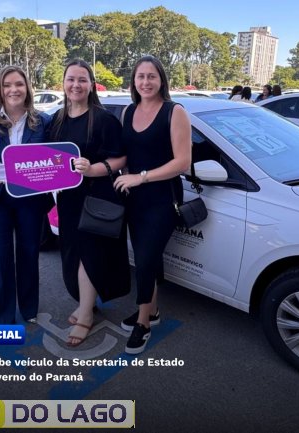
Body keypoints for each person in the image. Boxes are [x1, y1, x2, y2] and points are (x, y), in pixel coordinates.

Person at [47, 59, 130, 346]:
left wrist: (94, 169)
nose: (76, 85)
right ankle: (86, 301)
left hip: (97, 196)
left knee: (89, 255)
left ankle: (85, 314)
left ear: (91, 85)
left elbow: (121, 158)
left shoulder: (103, 119)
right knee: (72, 253)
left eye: (82, 80)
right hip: (69, 198)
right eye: (71, 79)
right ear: (63, 83)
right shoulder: (57, 119)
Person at [113, 55, 191, 354]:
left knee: (145, 260)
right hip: (134, 198)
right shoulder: (128, 111)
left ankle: (143, 322)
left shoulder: (174, 112)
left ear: (161, 80)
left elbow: (182, 162)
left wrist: (141, 177)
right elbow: (125, 155)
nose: (145, 82)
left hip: (162, 198)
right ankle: (153, 310)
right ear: (133, 81)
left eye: (151, 76)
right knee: (149, 258)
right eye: (140, 76)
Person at [0, 65, 53, 324]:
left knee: (29, 254)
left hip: (30, 199)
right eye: (7, 85)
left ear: (27, 87)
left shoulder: (42, 121)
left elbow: (52, 157)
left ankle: (29, 309)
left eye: (18, 84)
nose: (13, 90)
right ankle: (4, 317)